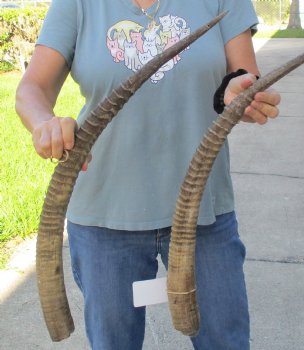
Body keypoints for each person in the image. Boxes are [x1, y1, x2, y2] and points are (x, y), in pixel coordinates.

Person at [16, 0, 281, 349]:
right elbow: (32, 87)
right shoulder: (77, 4)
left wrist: (241, 94)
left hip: (202, 212)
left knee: (225, 341)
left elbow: (243, 77)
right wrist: (43, 124)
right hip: (105, 218)